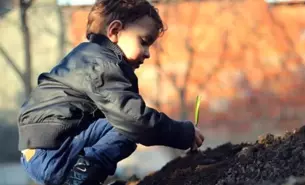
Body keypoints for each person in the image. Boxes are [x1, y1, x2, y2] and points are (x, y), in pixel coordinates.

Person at [17, 0, 205, 185]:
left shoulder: (88, 58)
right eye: (144, 42)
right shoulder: (103, 65)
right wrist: (183, 133)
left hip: (41, 151)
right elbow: (135, 120)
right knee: (127, 127)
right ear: (114, 31)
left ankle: (81, 179)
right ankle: (78, 181)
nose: (148, 53)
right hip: (54, 151)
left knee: (122, 123)